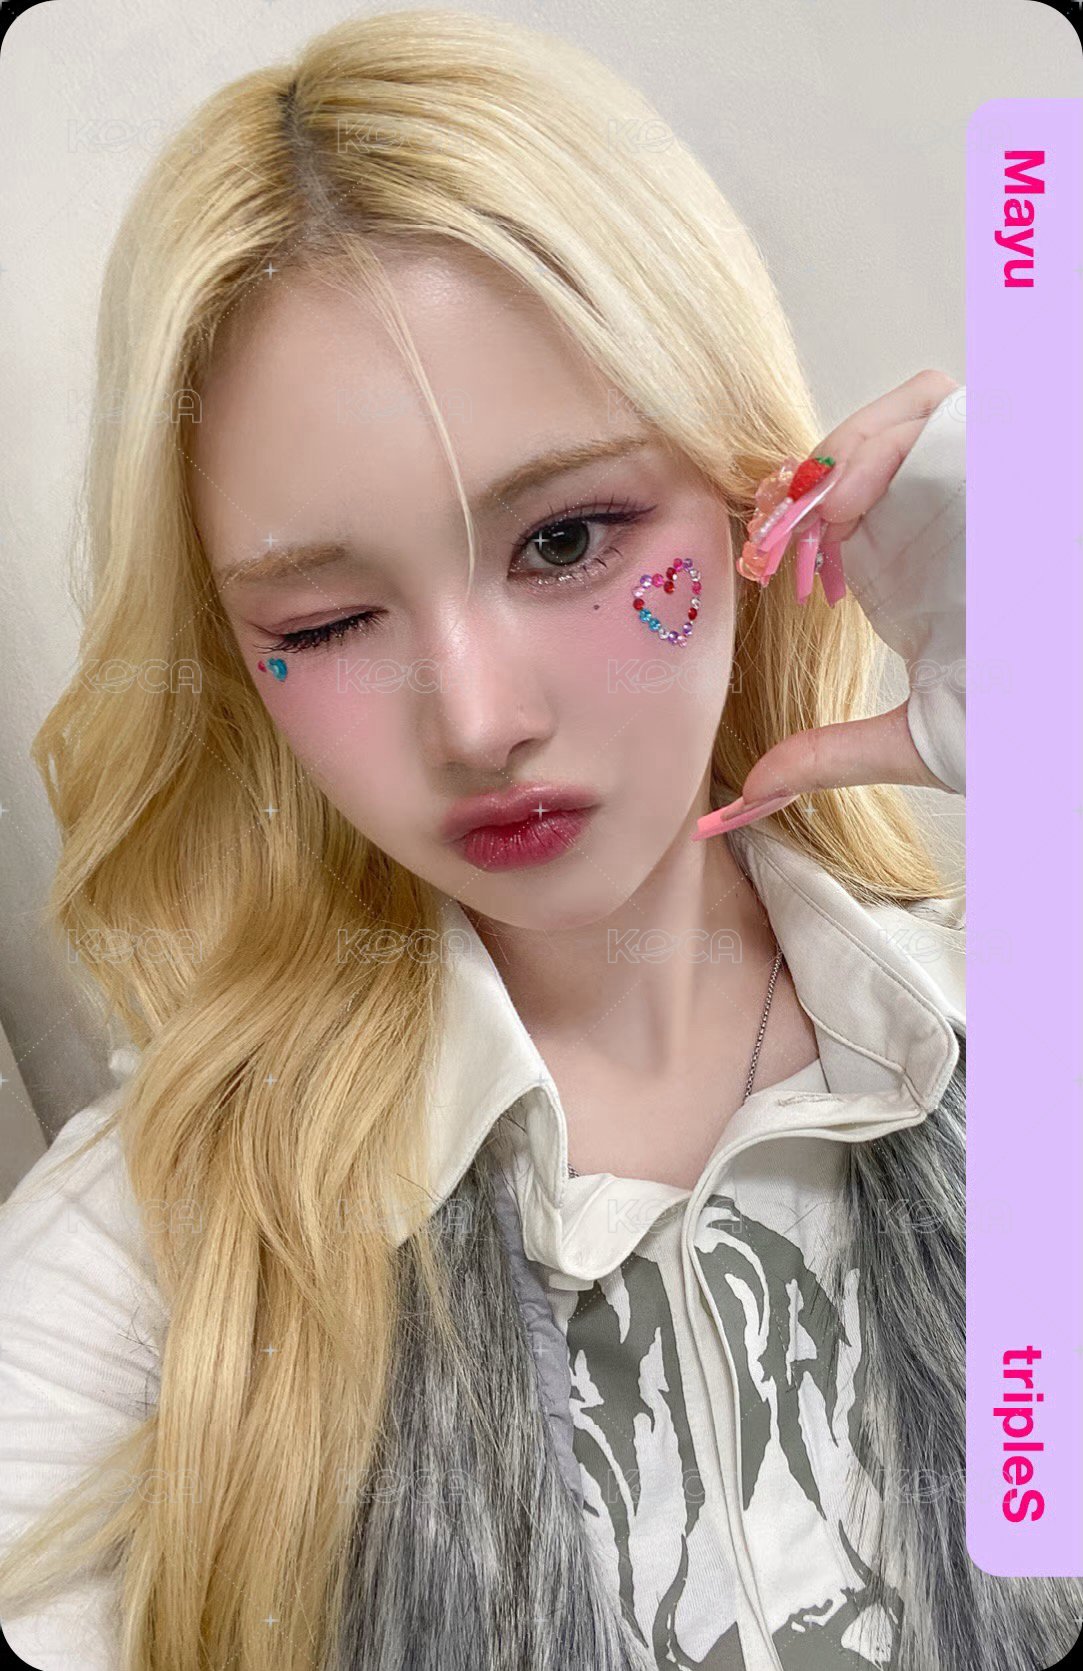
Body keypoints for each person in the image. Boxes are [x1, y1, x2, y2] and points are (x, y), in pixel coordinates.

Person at [0, 10, 1078, 1671]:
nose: (479, 718)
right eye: (329, 620)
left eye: (568, 538)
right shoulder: (156, 1265)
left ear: (758, 496)